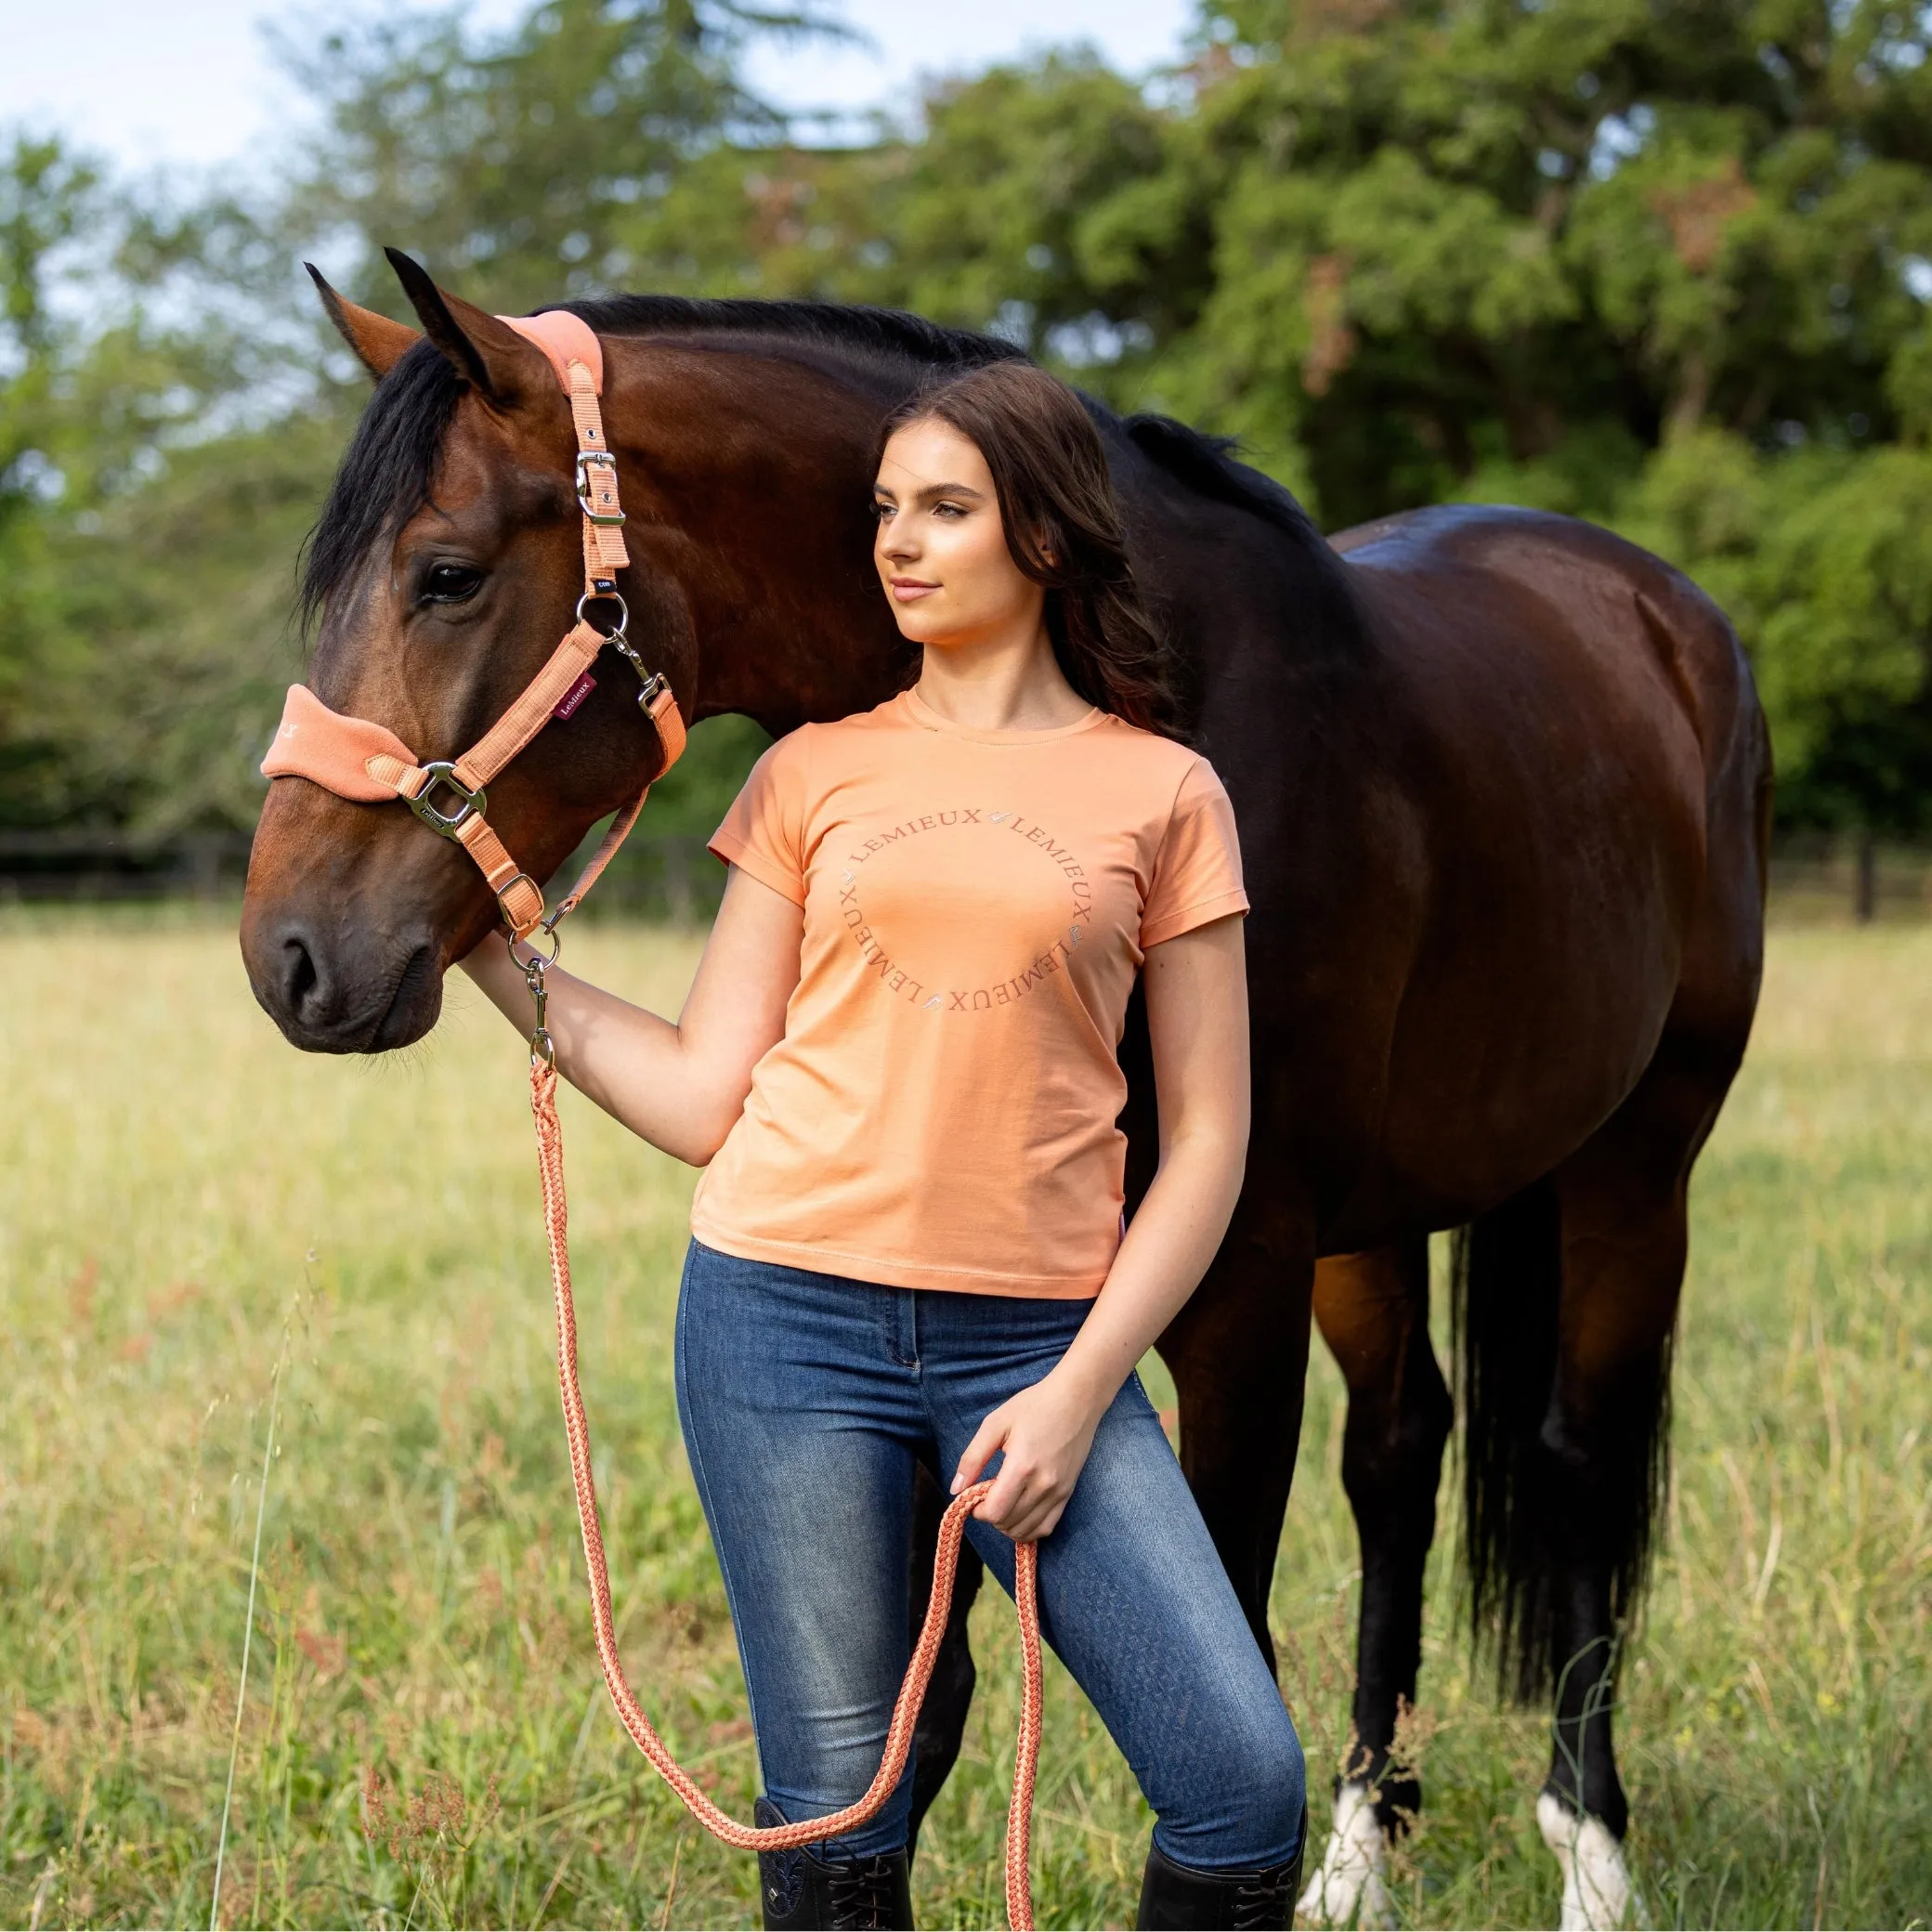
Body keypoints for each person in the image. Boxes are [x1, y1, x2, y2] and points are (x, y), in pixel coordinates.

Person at [462, 359, 1306, 1930]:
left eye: (945, 509)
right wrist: (496, 955)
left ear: (1045, 537)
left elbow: (1211, 1145)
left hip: (1041, 1342)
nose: (899, 545)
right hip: (782, 1321)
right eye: (884, 512)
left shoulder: (1167, 792)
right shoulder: (811, 771)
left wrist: (1077, 1395)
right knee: (841, 1813)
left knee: (1243, 1783)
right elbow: (711, 1094)